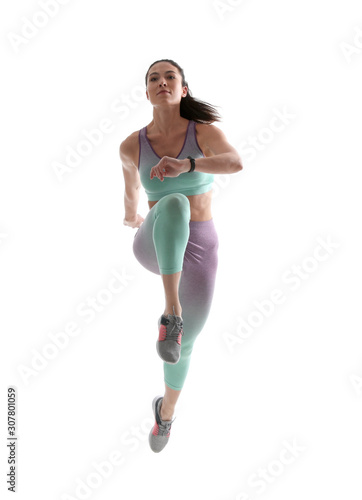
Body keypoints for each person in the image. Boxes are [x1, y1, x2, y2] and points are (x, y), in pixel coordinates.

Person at [119, 58, 243, 453]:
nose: (162, 82)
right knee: (173, 204)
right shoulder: (130, 146)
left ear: (183, 89)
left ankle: (166, 413)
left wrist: (186, 164)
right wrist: (131, 217)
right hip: (154, 241)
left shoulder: (203, 133)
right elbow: (130, 193)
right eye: (153, 78)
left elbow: (234, 162)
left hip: (199, 248)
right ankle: (171, 312)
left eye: (170, 76)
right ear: (147, 93)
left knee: (183, 346)